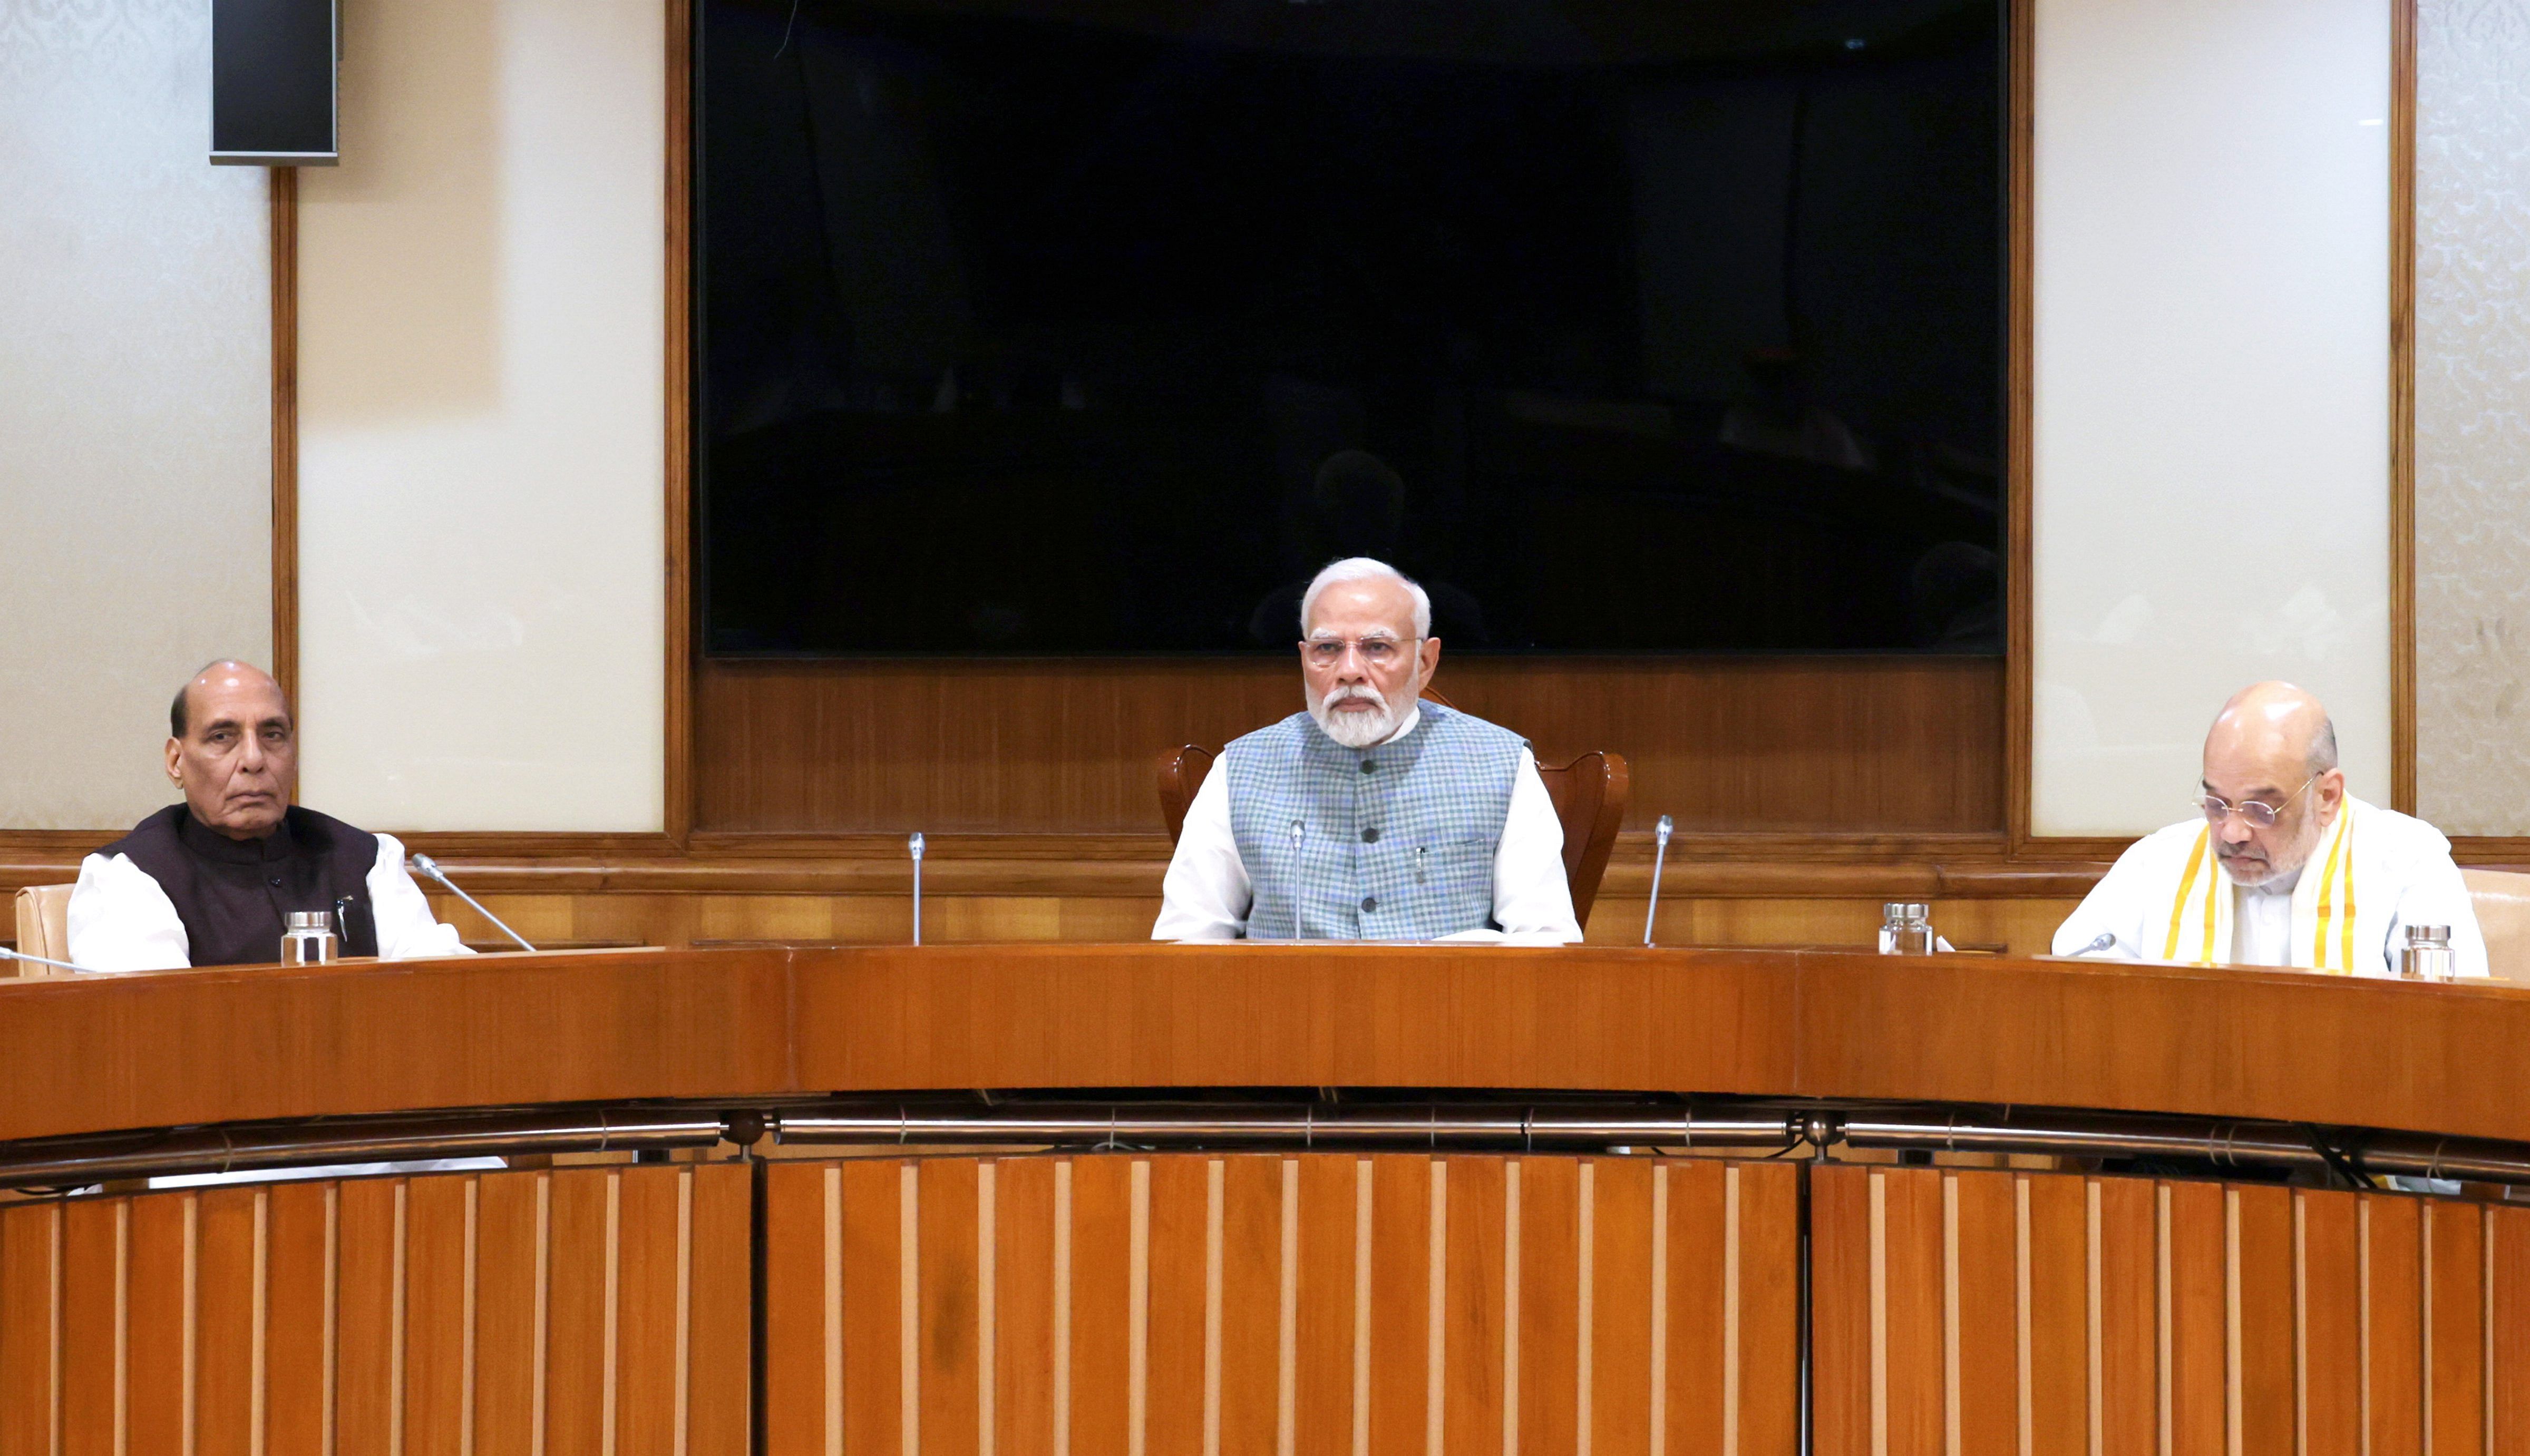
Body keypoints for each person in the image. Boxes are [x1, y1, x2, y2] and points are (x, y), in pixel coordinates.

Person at [1156, 558, 1581, 943]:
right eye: (1328, 648)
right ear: (1304, 658)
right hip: (1288, 1017)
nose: (1350, 671)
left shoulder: (1501, 764)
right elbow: (1189, 938)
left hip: (1450, 1016)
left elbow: (1545, 939)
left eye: (1378, 647)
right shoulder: (1240, 769)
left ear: (1425, 661)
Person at [2052, 681, 2485, 977]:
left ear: (2327, 797)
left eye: (2261, 808)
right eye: (2217, 803)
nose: (2232, 832)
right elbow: (2077, 984)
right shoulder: (2160, 862)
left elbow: (2450, 1023)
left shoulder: (2407, 861)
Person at [67, 660, 473, 971]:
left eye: (272, 735)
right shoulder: (130, 875)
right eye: (222, 736)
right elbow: (163, 1025)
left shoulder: (365, 858)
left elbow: (442, 985)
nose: (254, 759)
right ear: (176, 760)